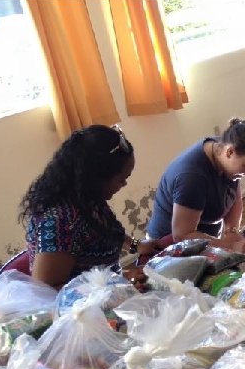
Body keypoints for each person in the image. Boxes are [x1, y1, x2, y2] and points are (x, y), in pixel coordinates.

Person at [19, 124, 163, 289]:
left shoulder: (87, 198)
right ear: (97, 178)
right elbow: (46, 290)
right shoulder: (62, 224)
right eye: (121, 179)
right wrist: (118, 285)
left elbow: (106, 232)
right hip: (81, 304)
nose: (124, 184)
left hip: (107, 293)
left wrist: (137, 245)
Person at [146, 118, 245, 251]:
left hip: (205, 239)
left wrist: (232, 231)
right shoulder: (192, 177)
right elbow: (182, 235)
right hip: (169, 249)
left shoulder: (224, 150)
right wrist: (229, 245)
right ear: (230, 152)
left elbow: (233, 196)